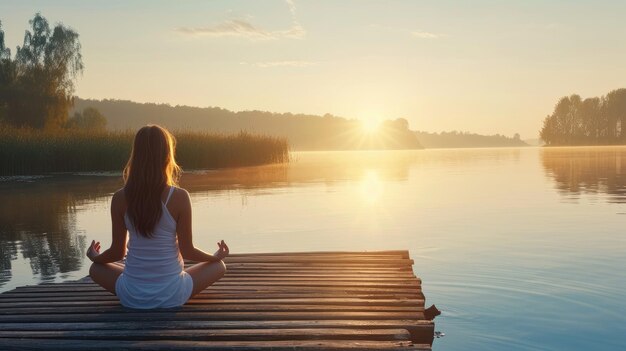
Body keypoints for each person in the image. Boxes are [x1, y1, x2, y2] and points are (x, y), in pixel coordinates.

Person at [86, 125, 229, 309]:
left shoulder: (120, 198)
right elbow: (188, 251)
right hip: (172, 294)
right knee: (219, 266)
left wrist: (95, 257)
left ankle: (137, 282)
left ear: (135, 156)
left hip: (132, 295)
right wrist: (215, 257)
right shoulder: (179, 197)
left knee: (95, 269)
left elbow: (117, 253)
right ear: (167, 157)